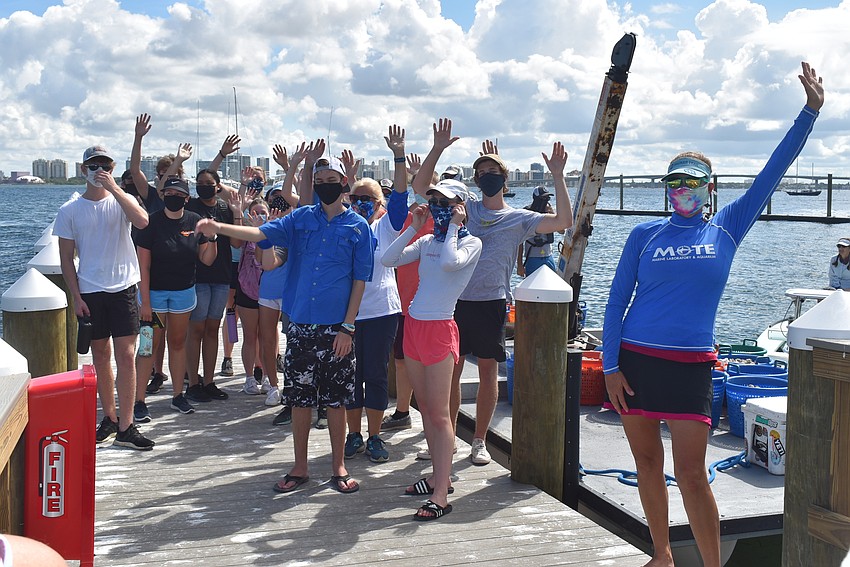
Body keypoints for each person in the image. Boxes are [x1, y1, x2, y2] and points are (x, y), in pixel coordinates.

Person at [602, 62, 823, 567]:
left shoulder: (727, 227)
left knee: (693, 474)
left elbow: (773, 172)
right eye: (674, 180)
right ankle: (661, 554)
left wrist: (808, 113)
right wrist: (610, 366)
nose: (683, 187)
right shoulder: (644, 236)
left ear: (710, 186)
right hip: (634, 362)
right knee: (646, 464)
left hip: (691, 367)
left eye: (693, 180)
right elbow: (616, 303)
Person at [195, 155, 373, 495]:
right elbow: (260, 232)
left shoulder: (358, 227)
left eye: (330, 178)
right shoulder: (300, 218)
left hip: (338, 328)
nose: (324, 184)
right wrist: (219, 228)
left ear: (344, 182)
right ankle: (300, 466)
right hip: (301, 324)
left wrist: (348, 327)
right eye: (318, 179)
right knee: (301, 398)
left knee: (336, 401)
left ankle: (338, 465)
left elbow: (361, 279)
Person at [435, 124, 572, 466]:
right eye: (481, 173)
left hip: (493, 301)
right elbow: (425, 189)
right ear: (475, 180)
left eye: (493, 172)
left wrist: (557, 175)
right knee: (449, 373)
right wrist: (438, 148)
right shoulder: (468, 207)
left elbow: (564, 221)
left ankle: (479, 441)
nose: (486, 177)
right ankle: (447, 438)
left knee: (485, 373)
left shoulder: (519, 219)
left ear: (504, 178)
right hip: (455, 301)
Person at [383, 127, 482, 519]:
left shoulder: (469, 242)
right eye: (435, 200)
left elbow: (449, 264)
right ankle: (438, 477)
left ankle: (442, 492)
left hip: (441, 330)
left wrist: (455, 225)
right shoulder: (426, 241)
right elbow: (389, 260)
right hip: (414, 328)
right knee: (426, 408)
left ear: (462, 207)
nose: (438, 206)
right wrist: (412, 224)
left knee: (440, 414)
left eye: (447, 202)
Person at [54, 145, 154, 450]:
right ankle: (109, 418)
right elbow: (66, 258)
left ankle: (126, 425)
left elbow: (142, 221)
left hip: (123, 287)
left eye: (106, 166)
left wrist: (114, 187)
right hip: (91, 289)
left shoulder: (121, 201)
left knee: (126, 355)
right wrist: (76, 296)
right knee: (100, 356)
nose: (100, 170)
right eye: (94, 166)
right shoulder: (69, 210)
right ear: (83, 170)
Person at [343, 129, 408, 462]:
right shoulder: (341, 226)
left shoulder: (386, 227)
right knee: (350, 375)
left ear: (378, 204)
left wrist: (399, 156)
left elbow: (400, 195)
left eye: (367, 198)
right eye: (355, 198)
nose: (360, 204)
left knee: (376, 373)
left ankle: (375, 436)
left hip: (382, 311)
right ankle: (353, 435)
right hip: (348, 315)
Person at [135, 174, 217, 417]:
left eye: (179, 196)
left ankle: (177, 395)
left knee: (178, 343)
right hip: (154, 295)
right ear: (163, 196)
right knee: (148, 346)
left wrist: (212, 237)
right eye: (169, 195)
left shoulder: (195, 221)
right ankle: (139, 400)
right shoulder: (150, 224)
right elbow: (143, 267)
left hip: (183, 293)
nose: (173, 199)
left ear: (186, 198)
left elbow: (207, 260)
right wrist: (146, 302)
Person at [183, 168, 242, 405]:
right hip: (197, 276)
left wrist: (237, 213)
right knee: (195, 330)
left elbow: (237, 241)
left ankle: (209, 381)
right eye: (200, 182)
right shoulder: (191, 209)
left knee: (212, 329)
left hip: (221, 275)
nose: (203, 186)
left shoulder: (225, 209)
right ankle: (193, 382)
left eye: (209, 183)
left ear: (218, 186)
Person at [517, 186, 559, 276]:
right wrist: (519, 264)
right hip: (533, 257)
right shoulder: (526, 213)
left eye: (547, 199)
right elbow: (519, 242)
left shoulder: (549, 212)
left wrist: (552, 215)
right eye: (543, 199)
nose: (545, 202)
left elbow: (562, 231)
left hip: (548, 256)